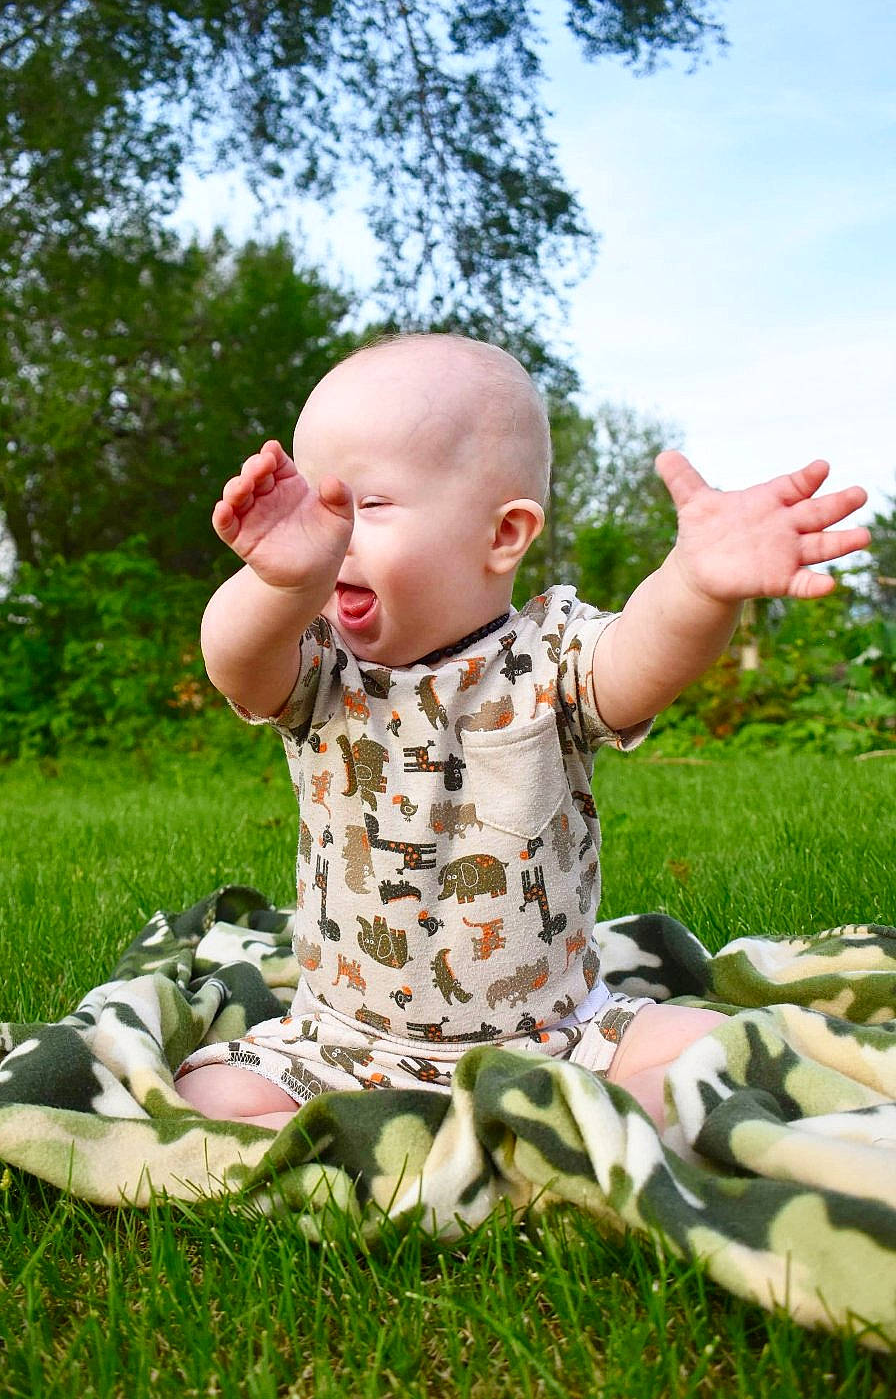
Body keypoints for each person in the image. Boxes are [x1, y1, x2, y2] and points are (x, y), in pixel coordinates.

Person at [177, 333, 870, 1131]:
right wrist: (279, 580)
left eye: (366, 507)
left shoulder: (550, 657)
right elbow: (233, 660)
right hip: (339, 1042)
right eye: (317, 511)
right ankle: (526, 1141)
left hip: (557, 1037)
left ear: (503, 534)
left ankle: (499, 1138)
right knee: (206, 1103)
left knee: (718, 1047)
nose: (333, 536)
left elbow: (641, 659)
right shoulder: (322, 669)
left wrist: (696, 586)